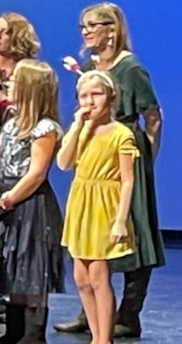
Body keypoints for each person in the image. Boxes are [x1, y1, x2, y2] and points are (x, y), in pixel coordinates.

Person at [56, 2, 165, 338]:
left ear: (112, 29)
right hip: (93, 152)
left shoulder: (130, 69)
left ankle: (128, 313)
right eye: (82, 26)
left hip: (125, 154)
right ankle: (90, 315)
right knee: (90, 246)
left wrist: (146, 160)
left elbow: (153, 117)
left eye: (93, 25)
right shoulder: (88, 67)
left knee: (135, 234)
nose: (86, 31)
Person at [0, 60, 65, 344]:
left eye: (15, 79)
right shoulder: (11, 121)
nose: (8, 82)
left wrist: (9, 199)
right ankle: (13, 330)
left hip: (29, 204)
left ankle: (32, 334)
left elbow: (37, 173)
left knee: (30, 265)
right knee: (10, 265)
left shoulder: (45, 128)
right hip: (4, 199)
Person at [58, 70, 139, 344]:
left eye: (96, 94)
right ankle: (95, 335)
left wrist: (119, 220)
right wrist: (76, 127)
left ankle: (104, 339)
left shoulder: (121, 134)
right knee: (81, 277)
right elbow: (63, 163)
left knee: (98, 276)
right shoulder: (82, 130)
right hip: (81, 202)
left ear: (111, 97)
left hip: (105, 207)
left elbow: (127, 180)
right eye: (84, 96)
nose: (89, 101)